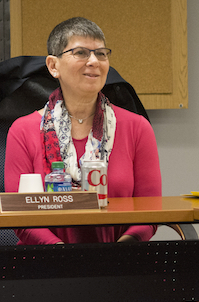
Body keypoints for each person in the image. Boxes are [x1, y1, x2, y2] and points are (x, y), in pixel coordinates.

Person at [4, 17, 162, 244]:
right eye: (80, 53)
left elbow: (151, 210)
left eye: (101, 54)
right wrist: (63, 255)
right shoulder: (22, 130)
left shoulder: (137, 128)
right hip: (43, 263)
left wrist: (121, 251)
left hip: (121, 260)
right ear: (53, 66)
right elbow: (20, 216)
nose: (93, 61)